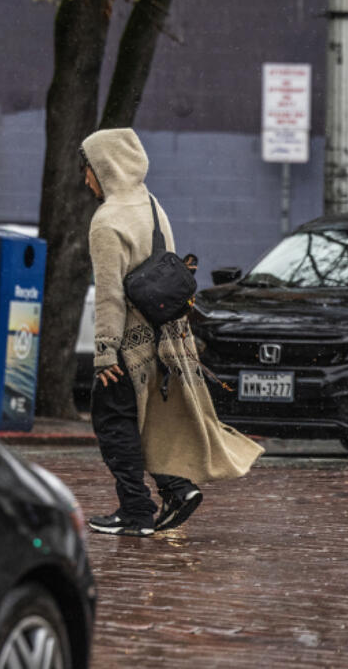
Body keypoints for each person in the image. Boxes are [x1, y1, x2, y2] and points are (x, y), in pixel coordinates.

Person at [79, 128, 263, 537]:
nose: (85, 177)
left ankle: (136, 511)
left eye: (87, 167)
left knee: (113, 423)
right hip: (167, 338)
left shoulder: (106, 221)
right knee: (147, 421)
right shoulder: (152, 204)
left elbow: (109, 296)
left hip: (129, 344)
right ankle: (176, 488)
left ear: (104, 167)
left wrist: (105, 353)